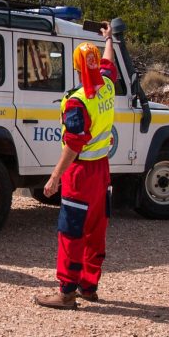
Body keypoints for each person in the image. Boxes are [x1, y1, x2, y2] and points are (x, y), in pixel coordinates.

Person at [34, 23, 119, 309]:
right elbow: (108, 63)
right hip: (102, 170)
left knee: (71, 231)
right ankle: (89, 286)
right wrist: (110, 39)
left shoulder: (77, 102)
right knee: (96, 228)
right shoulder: (106, 85)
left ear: (76, 67)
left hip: (80, 174)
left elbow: (73, 143)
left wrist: (55, 176)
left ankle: (66, 291)